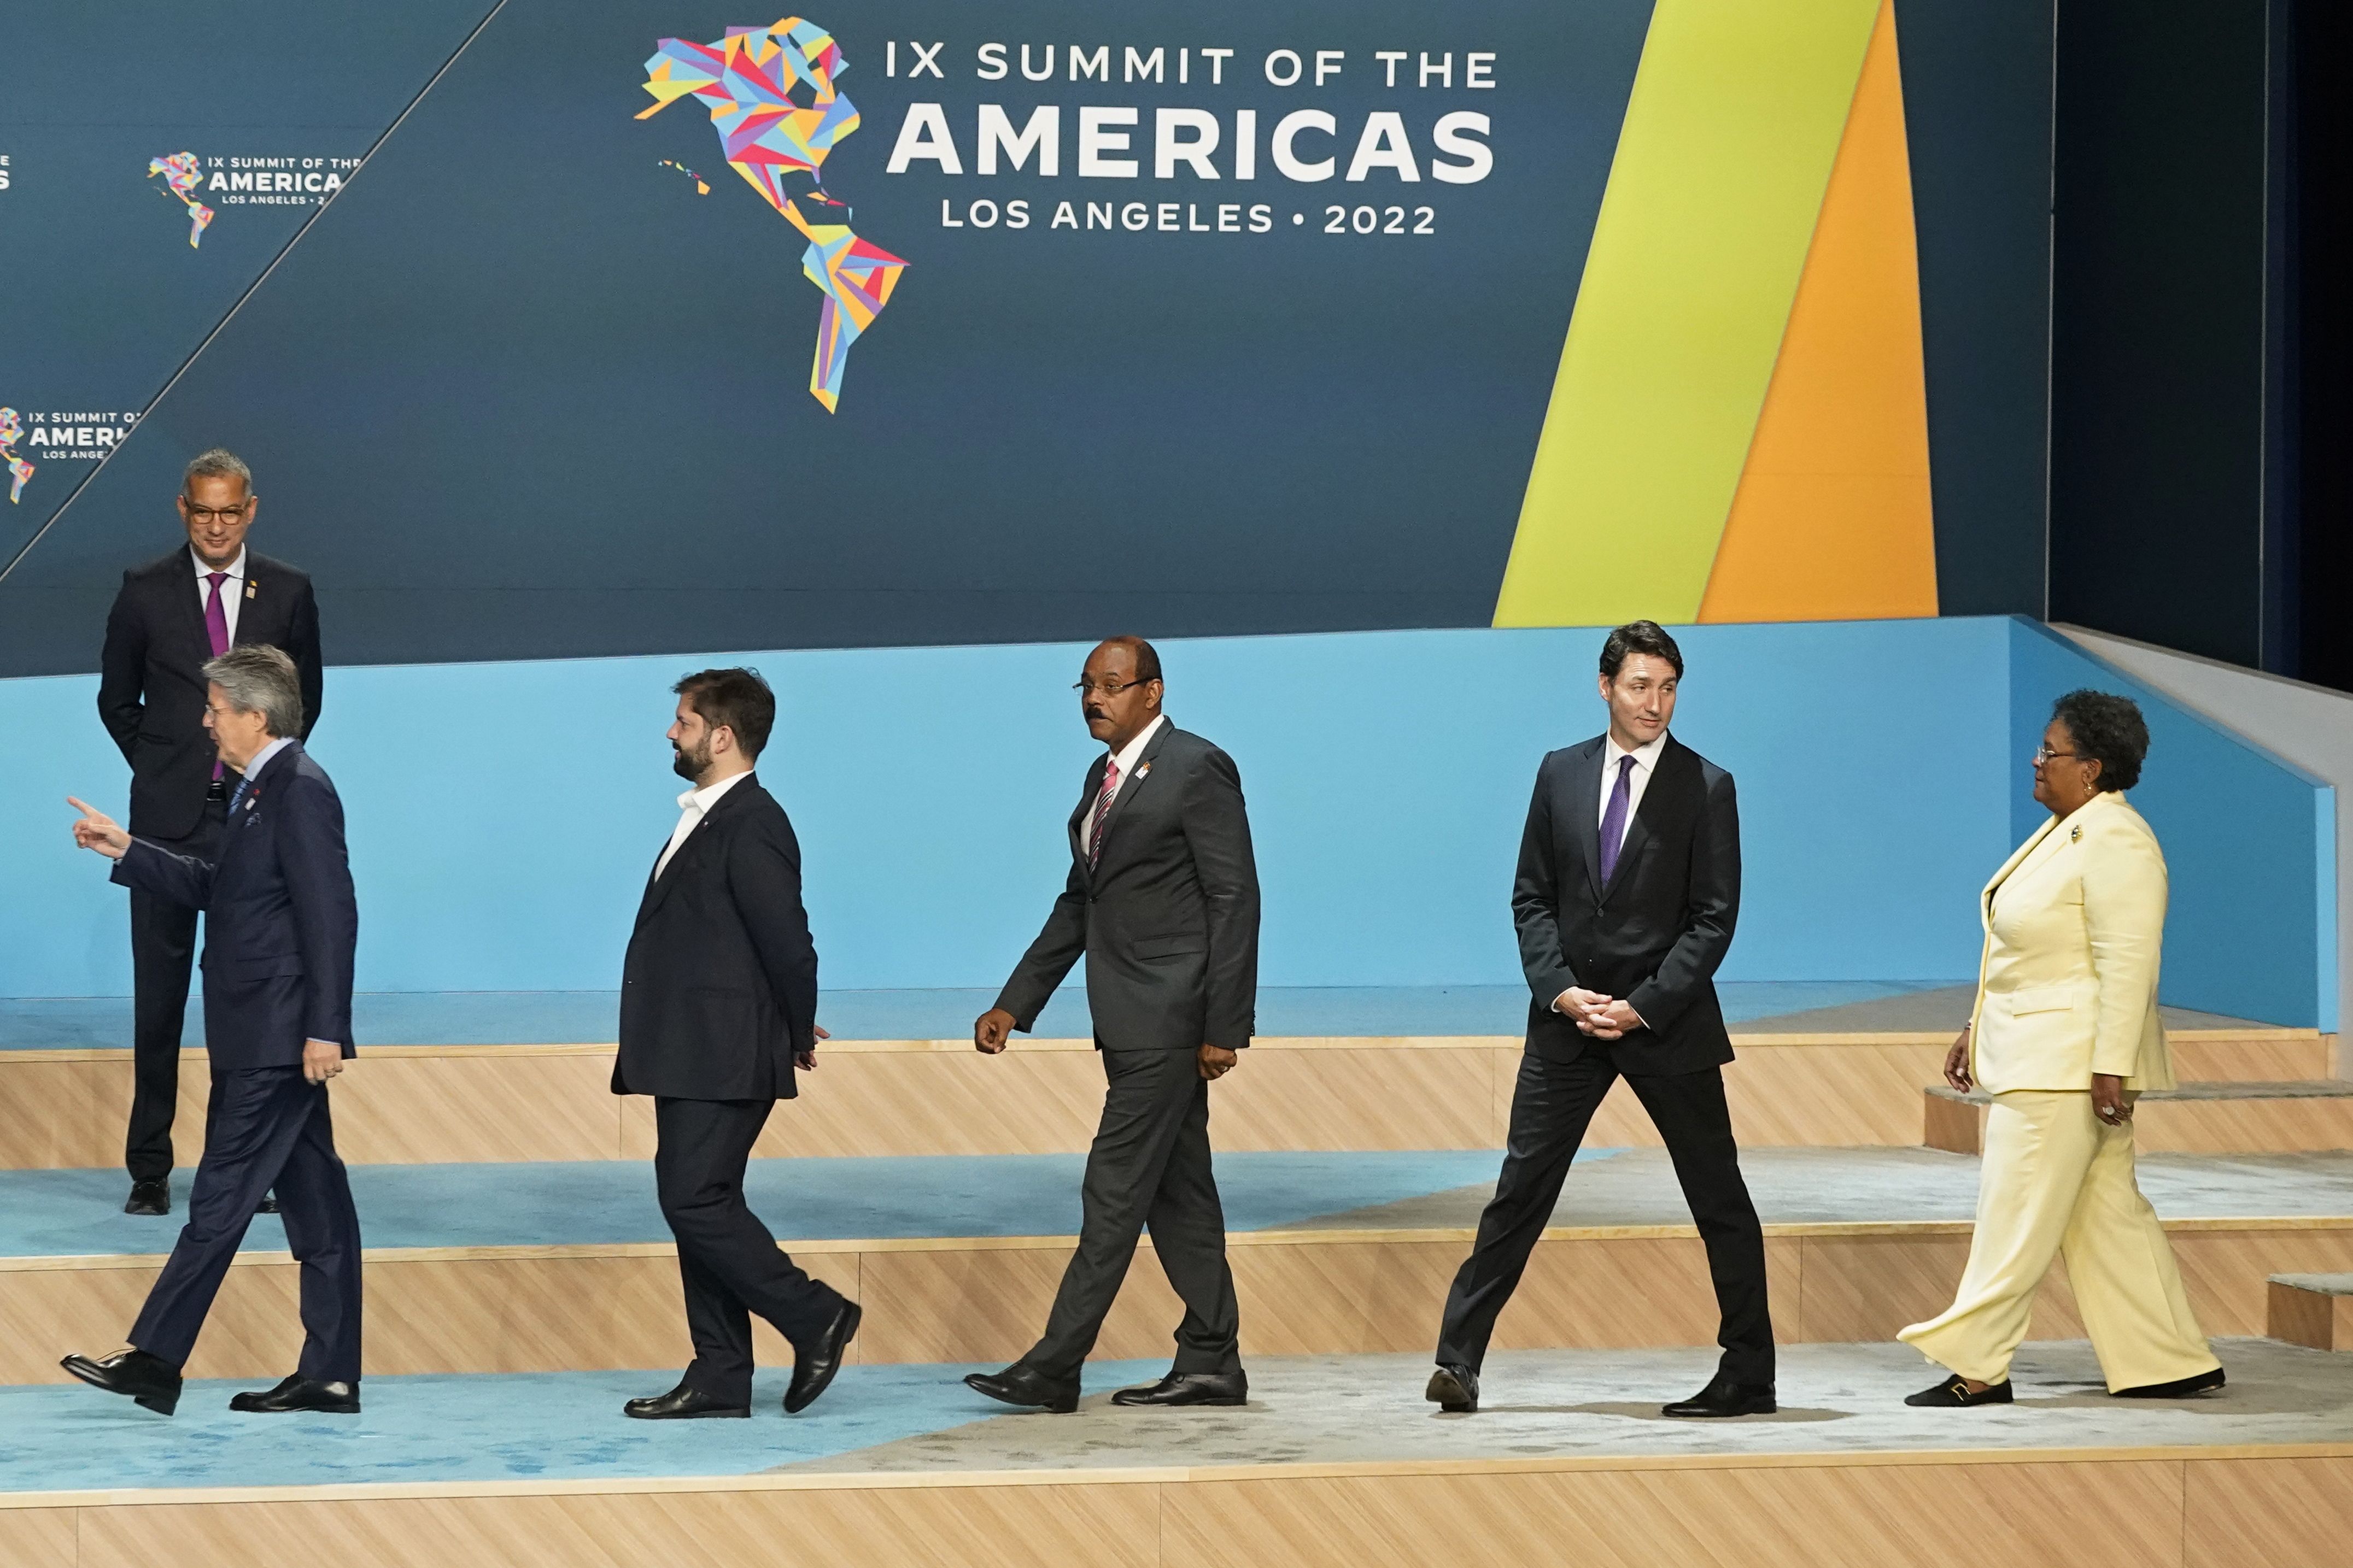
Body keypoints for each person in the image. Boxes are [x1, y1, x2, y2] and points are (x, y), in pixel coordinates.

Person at [1428, 620, 1773, 1418]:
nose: (1656, 703)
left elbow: (1713, 919)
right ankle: (1458, 1360)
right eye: (1640, 686)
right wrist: (1559, 989)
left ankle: (1750, 1372)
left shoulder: (1707, 785)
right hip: (1568, 1023)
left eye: (1668, 687)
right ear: (1605, 685)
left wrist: (1645, 1004)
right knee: (1519, 1191)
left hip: (1667, 1023)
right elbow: (1532, 897)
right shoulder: (1559, 773)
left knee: (1718, 1194)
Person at [60, 645, 362, 1417]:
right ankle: (330, 1372)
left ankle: (156, 1359)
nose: (205, 721)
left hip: (276, 1036)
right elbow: (221, 890)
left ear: (255, 717)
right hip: (256, 1029)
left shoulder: (299, 790)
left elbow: (331, 914)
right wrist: (128, 848)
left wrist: (326, 1027)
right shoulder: (259, 790)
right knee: (319, 1208)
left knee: (220, 1196)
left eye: (216, 709)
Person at [1898, 691, 2223, 1406]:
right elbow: (2030, 952)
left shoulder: (2118, 841)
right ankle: (2166, 1355)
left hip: (2068, 1066)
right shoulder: (2071, 829)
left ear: (2095, 767)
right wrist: (1974, 1025)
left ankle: (1980, 1364)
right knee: (2105, 1213)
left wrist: (2111, 1066)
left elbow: (2127, 963)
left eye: (2052, 751)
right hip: (2045, 1052)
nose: (2038, 761)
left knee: (2014, 1212)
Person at [963, 637, 1261, 1413]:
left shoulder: (1197, 767)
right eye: (1086, 685)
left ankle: (1057, 1364)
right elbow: (1081, 903)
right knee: (1180, 1195)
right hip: (1127, 1017)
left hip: (1169, 1016)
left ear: (1153, 692)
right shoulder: (1104, 779)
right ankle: (1212, 1358)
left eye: (1113, 684)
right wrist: (1015, 1002)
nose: (1095, 697)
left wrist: (1225, 1023)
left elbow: (1234, 896)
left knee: (1114, 1187)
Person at [616, 668, 861, 1420]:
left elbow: (789, 938)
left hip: (722, 1049)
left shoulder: (752, 819)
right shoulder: (709, 814)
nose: (671, 731)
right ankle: (721, 1372)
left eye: (684, 721)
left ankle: (815, 1312)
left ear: (721, 736)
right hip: (693, 1045)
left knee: (695, 1200)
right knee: (699, 1201)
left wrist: (793, 1021)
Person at [97, 448, 323, 1217]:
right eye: (204, 512)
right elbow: (115, 699)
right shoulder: (143, 592)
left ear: (251, 509)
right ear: (182, 509)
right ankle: (149, 1168)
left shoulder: (288, 591)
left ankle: (242, 1165)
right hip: (164, 825)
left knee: (247, 1004)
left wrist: (251, 773)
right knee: (157, 1003)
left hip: (253, 826)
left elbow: (303, 705)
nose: (218, 525)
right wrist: (167, 766)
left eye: (231, 512)